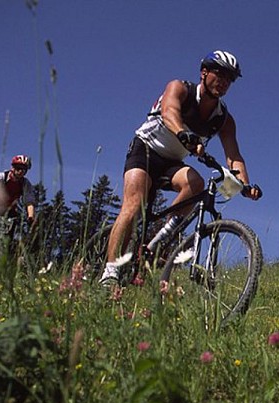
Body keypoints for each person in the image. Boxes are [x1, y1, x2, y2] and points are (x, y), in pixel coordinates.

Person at [100, 49, 262, 286]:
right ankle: (110, 273)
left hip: (172, 162)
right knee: (134, 204)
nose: (224, 82)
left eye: (230, 79)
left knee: (195, 184)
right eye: (219, 74)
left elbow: (234, 156)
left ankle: (157, 243)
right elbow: (169, 112)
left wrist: (245, 185)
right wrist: (183, 134)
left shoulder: (223, 119)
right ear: (204, 73)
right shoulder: (180, 88)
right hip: (145, 149)